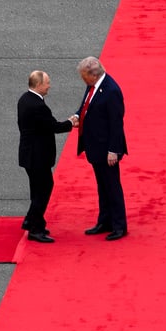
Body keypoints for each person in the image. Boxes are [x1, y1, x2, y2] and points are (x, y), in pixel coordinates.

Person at [68, 56, 128, 240]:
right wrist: (77, 116)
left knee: (112, 186)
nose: (82, 79)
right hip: (95, 146)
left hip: (106, 148)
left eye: (83, 76)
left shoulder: (111, 91)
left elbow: (116, 123)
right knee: (102, 185)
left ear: (92, 75)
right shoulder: (93, 86)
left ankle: (119, 226)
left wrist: (113, 150)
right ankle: (105, 221)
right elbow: (86, 106)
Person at [17, 70, 75, 242]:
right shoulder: (38, 106)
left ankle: (34, 221)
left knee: (37, 190)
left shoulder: (24, 99)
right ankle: (34, 227)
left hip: (30, 155)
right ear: (39, 85)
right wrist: (71, 122)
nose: (49, 85)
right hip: (38, 157)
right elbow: (53, 126)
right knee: (43, 189)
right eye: (47, 82)